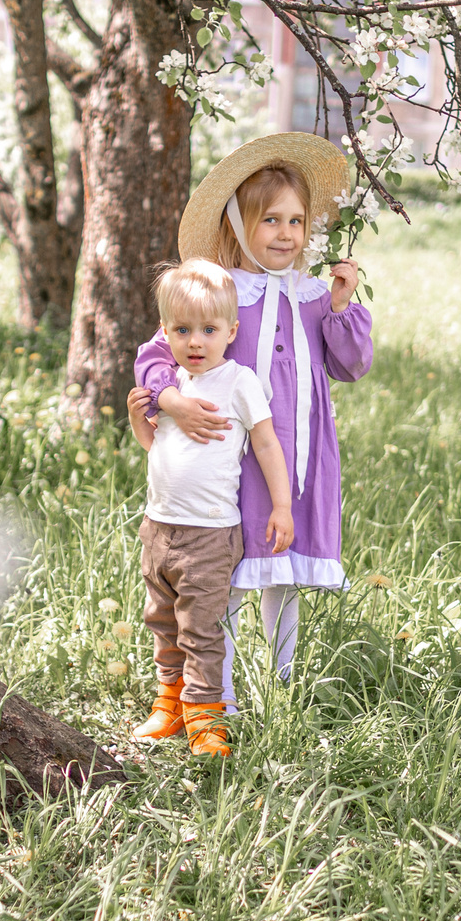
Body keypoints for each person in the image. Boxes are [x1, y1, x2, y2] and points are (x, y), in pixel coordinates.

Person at [129, 134, 371, 720]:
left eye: (296, 221)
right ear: (239, 225)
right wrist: (171, 399)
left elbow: (351, 366)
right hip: (231, 462)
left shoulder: (316, 297)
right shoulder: (221, 292)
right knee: (227, 575)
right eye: (270, 220)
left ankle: (282, 684)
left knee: (282, 573)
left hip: (299, 454)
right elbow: (156, 353)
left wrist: (342, 306)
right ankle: (219, 694)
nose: (285, 234)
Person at [127, 259, 294, 758]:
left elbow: (266, 444)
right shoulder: (170, 387)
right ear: (165, 332)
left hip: (209, 534)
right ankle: (170, 703)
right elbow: (157, 449)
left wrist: (281, 506)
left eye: (208, 330)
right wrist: (139, 422)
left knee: (201, 629)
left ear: (230, 332)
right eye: (182, 330)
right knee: (162, 621)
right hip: (158, 527)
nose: (195, 342)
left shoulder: (238, 382)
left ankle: (206, 717)